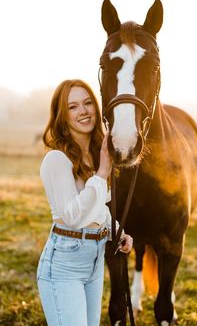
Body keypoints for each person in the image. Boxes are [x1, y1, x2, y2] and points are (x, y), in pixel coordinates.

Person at [37, 79, 133, 326]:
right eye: (73, 106)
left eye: (88, 103)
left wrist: (115, 229)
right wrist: (101, 173)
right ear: (62, 115)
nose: (83, 111)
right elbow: (72, 216)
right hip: (65, 262)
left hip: (94, 258)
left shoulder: (94, 154)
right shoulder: (56, 159)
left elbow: (97, 208)